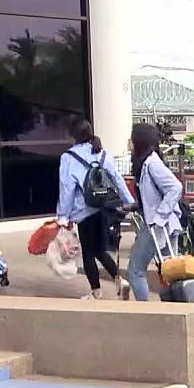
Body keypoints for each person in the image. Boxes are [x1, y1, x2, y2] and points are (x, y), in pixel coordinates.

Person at [56, 118, 134, 300]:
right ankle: (120, 280)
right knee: (100, 250)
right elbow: (116, 178)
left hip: (85, 211)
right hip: (106, 209)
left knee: (89, 253)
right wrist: (128, 201)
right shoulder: (103, 153)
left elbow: (66, 188)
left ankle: (96, 292)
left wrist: (63, 216)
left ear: (72, 135)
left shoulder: (68, 157)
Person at [127, 122, 184, 301]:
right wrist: (132, 206)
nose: (128, 142)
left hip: (158, 226)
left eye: (131, 138)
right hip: (164, 225)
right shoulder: (146, 162)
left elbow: (175, 187)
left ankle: (146, 311)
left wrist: (159, 217)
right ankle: (178, 306)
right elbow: (152, 196)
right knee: (169, 272)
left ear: (139, 141)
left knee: (135, 271)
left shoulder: (152, 163)